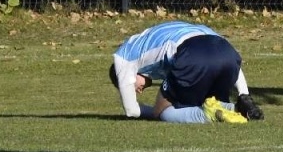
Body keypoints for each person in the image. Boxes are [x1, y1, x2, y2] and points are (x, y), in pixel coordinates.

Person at [109, 20, 263, 123]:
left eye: (133, 87)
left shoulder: (123, 59)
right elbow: (228, 59)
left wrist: (155, 110)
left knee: (163, 110)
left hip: (192, 53)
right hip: (226, 51)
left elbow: (131, 111)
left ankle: (206, 115)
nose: (138, 91)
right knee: (209, 101)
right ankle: (239, 109)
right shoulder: (148, 41)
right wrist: (244, 95)